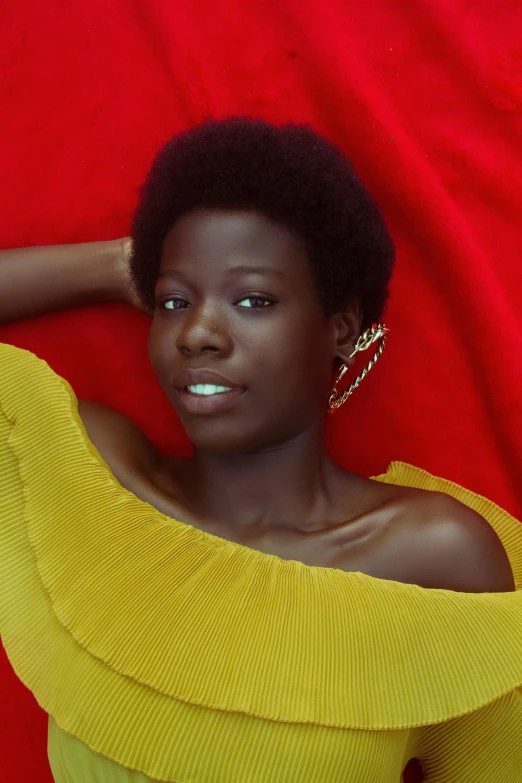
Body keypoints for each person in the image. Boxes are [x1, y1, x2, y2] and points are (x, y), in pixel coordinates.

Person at [0, 116, 521, 782]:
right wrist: (117, 265)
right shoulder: (98, 482)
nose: (198, 333)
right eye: (173, 301)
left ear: (341, 330)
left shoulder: (432, 555)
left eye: (251, 299)